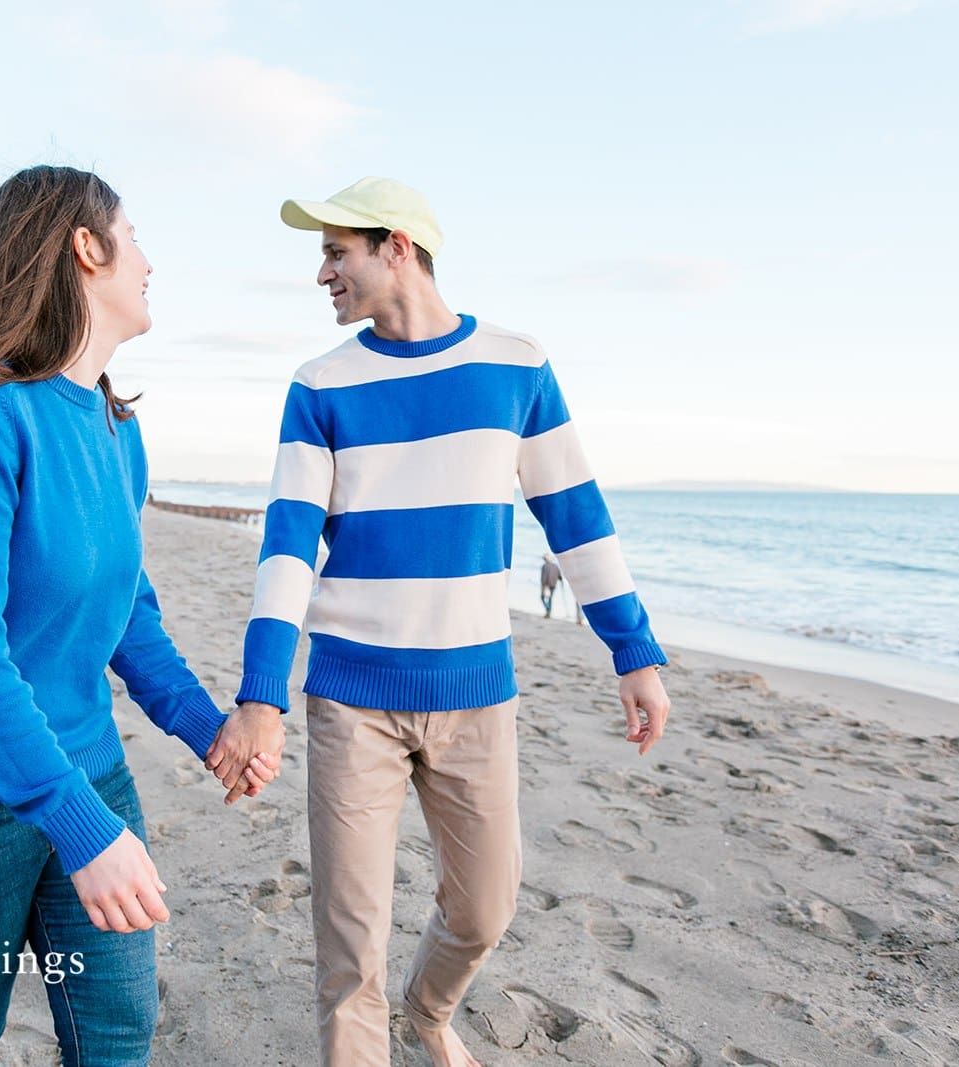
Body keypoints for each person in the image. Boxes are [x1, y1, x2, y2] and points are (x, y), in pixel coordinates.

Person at [217, 176, 672, 1067]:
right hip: (353, 701)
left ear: (396, 246)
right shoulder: (320, 385)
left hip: (475, 696)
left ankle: (426, 1014)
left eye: (334, 252)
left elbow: (575, 516)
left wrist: (634, 651)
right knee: (351, 948)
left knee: (484, 909)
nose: (322, 275)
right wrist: (262, 693)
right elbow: (286, 549)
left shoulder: (516, 365)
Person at [0, 165, 281, 1067]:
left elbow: (127, 613)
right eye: (137, 235)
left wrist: (207, 730)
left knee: (119, 1029)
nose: (151, 260)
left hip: (84, 766)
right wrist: (80, 830)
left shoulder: (118, 430)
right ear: (87, 247)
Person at [539, 553, 563, 618]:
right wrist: (560, 580)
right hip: (553, 585)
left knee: (542, 597)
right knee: (550, 599)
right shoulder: (556, 566)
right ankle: (549, 612)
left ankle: (548, 609)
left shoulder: (544, 566)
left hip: (546, 584)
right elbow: (560, 577)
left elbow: (544, 577)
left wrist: (543, 586)